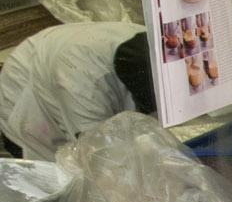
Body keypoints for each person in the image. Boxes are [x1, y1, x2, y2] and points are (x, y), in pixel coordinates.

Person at [0, 23, 154, 160]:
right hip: (24, 89)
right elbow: (99, 156)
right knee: (58, 177)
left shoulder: (156, 48)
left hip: (62, 55)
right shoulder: (83, 85)